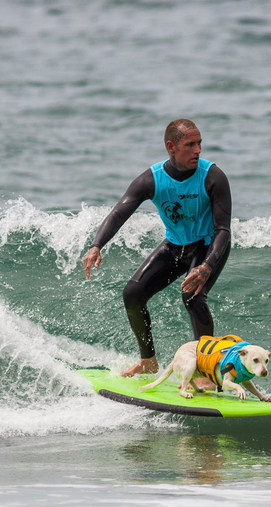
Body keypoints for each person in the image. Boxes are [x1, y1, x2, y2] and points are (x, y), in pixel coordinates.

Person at [82, 119, 232, 377]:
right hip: (174, 246)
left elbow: (223, 230)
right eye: (190, 144)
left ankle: (208, 371)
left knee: (193, 297)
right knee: (132, 294)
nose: (197, 150)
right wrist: (96, 245)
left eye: (199, 144)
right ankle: (148, 361)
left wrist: (207, 266)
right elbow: (119, 213)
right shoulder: (152, 180)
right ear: (171, 147)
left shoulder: (212, 177)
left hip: (208, 246)